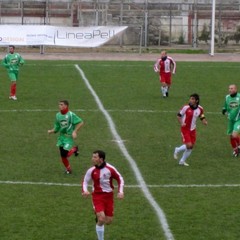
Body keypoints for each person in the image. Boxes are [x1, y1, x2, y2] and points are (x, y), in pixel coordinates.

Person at [82, 150, 124, 240]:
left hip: (109, 197)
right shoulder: (91, 170)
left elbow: (120, 178)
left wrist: (120, 191)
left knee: (108, 221)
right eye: (93, 156)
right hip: (97, 196)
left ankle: (98, 216)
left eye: (95, 157)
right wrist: (85, 190)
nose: (92, 159)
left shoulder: (110, 169)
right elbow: (85, 181)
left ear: (101, 159)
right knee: (101, 219)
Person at [48, 100, 84, 174]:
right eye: (59, 104)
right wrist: (52, 131)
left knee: (64, 153)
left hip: (69, 137)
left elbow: (81, 122)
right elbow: (57, 126)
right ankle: (68, 169)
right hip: (61, 137)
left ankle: (74, 149)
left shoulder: (71, 115)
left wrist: (75, 131)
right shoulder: (58, 115)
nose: (59, 106)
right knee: (63, 156)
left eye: (61, 104)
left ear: (66, 106)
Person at [174, 93, 207, 166]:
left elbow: (201, 115)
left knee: (191, 147)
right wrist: (182, 123)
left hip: (193, 130)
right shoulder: (185, 107)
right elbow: (178, 116)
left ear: (196, 101)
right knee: (189, 145)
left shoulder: (200, 108)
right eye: (190, 98)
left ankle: (182, 161)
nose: (190, 100)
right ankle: (177, 149)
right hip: (185, 129)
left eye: (192, 99)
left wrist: (204, 121)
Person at [222, 84, 240, 157]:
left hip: (238, 119)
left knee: (234, 135)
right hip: (230, 120)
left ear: (236, 89)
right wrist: (224, 110)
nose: (230, 90)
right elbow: (225, 106)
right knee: (231, 137)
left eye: (232, 88)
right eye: (229, 88)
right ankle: (235, 150)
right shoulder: (227, 97)